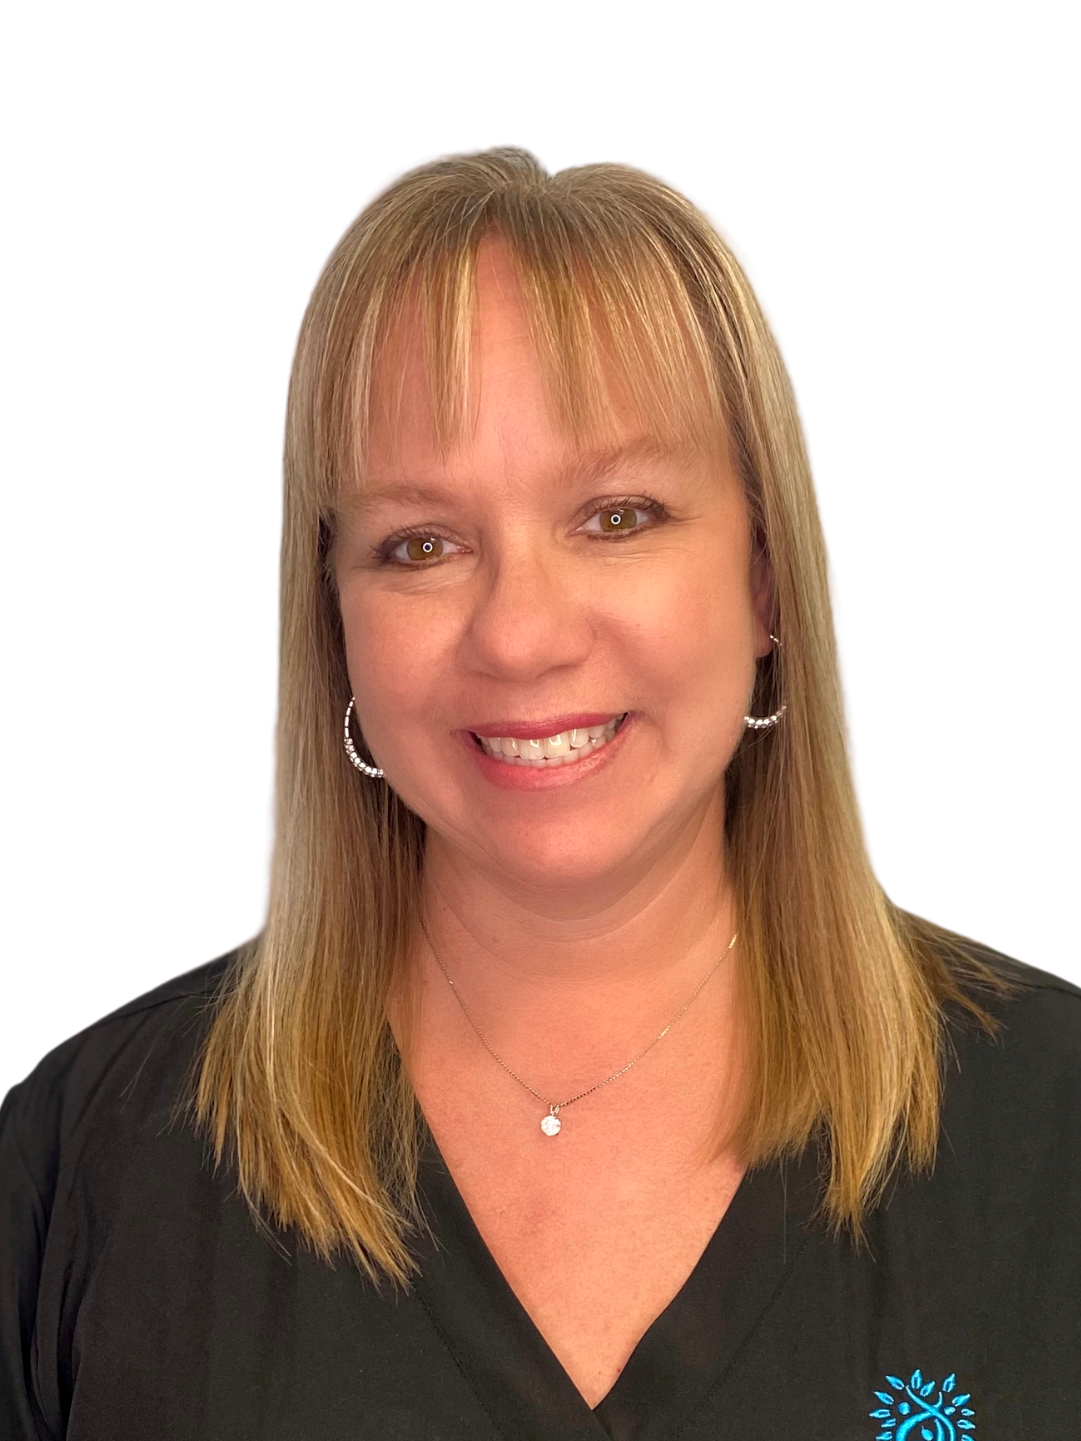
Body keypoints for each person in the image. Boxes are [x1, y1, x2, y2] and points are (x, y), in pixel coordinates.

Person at [1, 147, 1078, 1441]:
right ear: (334, 625)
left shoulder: (1052, 1140)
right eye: (421, 544)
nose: (520, 635)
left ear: (766, 582)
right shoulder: (83, 1178)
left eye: (617, 516)